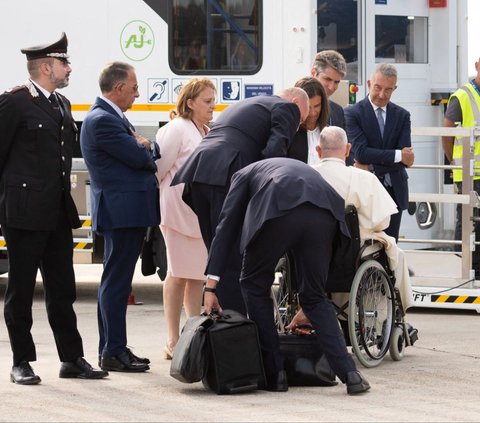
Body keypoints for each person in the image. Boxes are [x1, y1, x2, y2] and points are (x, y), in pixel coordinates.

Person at [203, 157, 370, 395]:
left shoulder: (241, 176)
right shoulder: (287, 167)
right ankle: (351, 375)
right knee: (314, 297)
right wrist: (310, 301)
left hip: (278, 208)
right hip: (325, 214)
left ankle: (275, 374)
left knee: (253, 284)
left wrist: (210, 287)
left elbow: (225, 228)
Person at [0, 33, 108, 384]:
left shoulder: (61, 103)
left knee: (63, 289)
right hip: (24, 213)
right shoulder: (14, 102)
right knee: (21, 290)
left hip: (57, 213)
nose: (69, 68)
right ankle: (21, 361)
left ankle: (71, 358)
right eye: (64, 63)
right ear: (46, 67)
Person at [172, 88, 309, 315]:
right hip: (227, 173)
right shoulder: (288, 107)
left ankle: (224, 319)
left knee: (219, 250)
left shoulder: (250, 104)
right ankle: (238, 327)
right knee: (233, 256)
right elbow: (274, 154)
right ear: (296, 102)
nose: (297, 127)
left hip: (198, 173)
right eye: (300, 121)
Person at [80, 61, 160, 372]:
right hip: (122, 212)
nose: (138, 94)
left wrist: (145, 146)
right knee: (116, 284)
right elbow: (142, 158)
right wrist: (147, 147)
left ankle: (114, 347)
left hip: (125, 211)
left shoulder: (111, 117)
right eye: (134, 87)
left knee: (117, 282)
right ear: (118, 88)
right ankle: (112, 351)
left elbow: (142, 152)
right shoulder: (104, 121)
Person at [312, 126, 414, 311]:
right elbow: (383, 221)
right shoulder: (363, 178)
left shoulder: (306, 175)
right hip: (352, 251)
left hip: (313, 250)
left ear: (318, 151)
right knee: (397, 255)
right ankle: (396, 312)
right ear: (348, 149)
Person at [155, 78, 216, 360]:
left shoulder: (205, 130)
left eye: (213, 101)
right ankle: (172, 338)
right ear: (190, 103)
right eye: (207, 101)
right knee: (177, 274)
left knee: (196, 277)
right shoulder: (176, 129)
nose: (212, 106)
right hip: (178, 211)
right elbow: (158, 169)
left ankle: (193, 332)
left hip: (197, 214)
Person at [345, 63, 414, 241]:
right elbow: (360, 153)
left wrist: (371, 166)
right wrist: (397, 156)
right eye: (378, 88)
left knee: (391, 245)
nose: (382, 95)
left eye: (388, 90)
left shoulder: (402, 115)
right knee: (364, 244)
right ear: (369, 84)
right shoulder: (352, 113)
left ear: (394, 89)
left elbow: (407, 158)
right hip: (365, 191)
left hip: (394, 192)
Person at [442, 58, 480, 277]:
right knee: (468, 222)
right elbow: (447, 134)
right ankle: (465, 270)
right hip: (469, 173)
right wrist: (455, 162)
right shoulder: (463, 95)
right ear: (477, 66)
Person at [310, 50, 352, 164]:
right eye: (327, 79)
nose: (331, 87)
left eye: (337, 82)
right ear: (314, 73)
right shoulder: (295, 106)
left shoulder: (338, 111)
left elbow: (345, 152)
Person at [287, 76, 330, 164]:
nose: (313, 113)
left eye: (317, 106)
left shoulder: (329, 130)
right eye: (308, 107)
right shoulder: (289, 132)